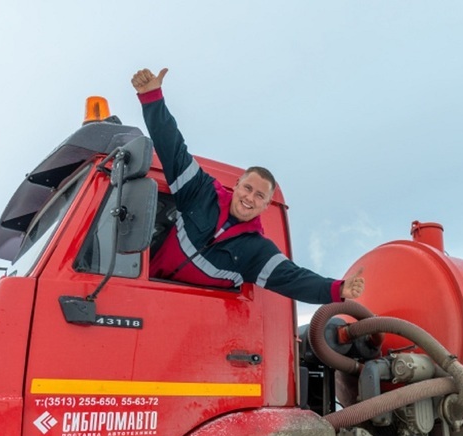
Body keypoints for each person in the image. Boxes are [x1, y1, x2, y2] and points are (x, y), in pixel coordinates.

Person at [131, 68, 364, 304]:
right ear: (237, 185)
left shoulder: (256, 251)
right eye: (248, 189)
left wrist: (338, 289)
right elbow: (173, 148)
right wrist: (152, 98)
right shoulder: (201, 193)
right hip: (141, 291)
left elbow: (295, 278)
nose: (250, 198)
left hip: (182, 315)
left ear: (265, 206)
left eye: (260, 196)